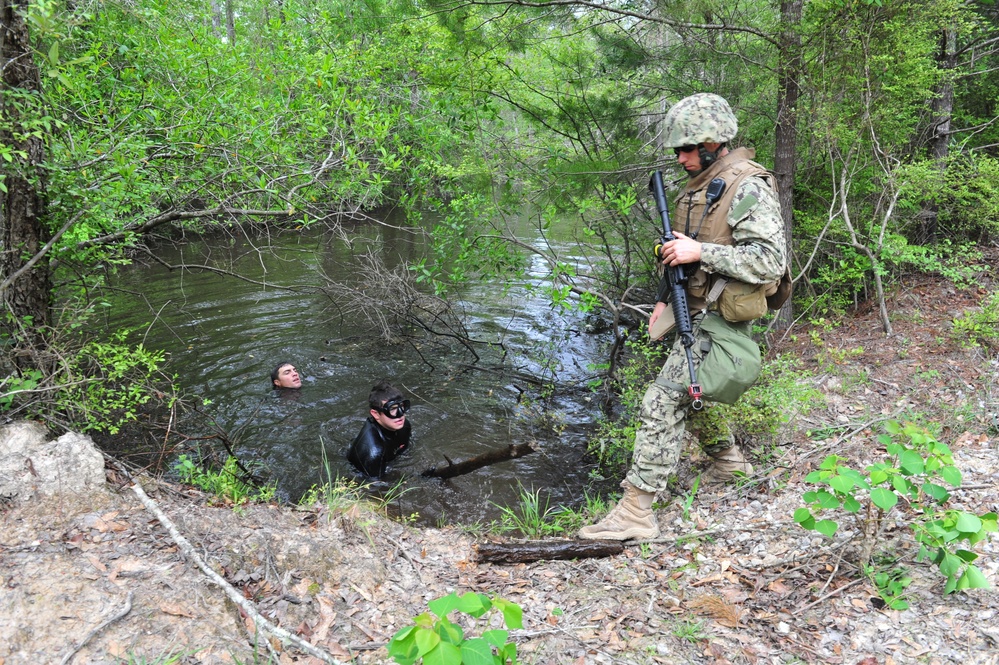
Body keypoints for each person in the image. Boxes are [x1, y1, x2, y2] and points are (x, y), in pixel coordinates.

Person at [579, 93, 787, 541]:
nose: (681, 157)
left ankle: (637, 510)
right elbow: (680, 254)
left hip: (724, 314)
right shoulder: (698, 187)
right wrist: (662, 296)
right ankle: (730, 464)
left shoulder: (747, 185)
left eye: (690, 148)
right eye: (677, 149)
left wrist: (701, 251)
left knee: (663, 398)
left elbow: (769, 261)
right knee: (693, 391)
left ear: (716, 144)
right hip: (693, 306)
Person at [347, 381, 412, 477]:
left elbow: (406, 451)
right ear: (375, 414)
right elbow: (376, 486)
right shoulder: (373, 452)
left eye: (401, 406)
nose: (400, 414)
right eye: (392, 409)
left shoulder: (404, 425)